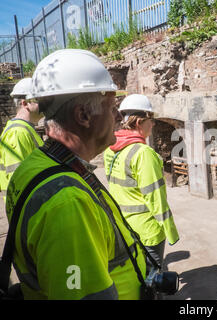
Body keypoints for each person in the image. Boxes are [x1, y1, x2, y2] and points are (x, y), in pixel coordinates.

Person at [5, 49, 147, 299]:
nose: (117, 116)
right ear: (83, 115)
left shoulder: (35, 165)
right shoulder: (68, 203)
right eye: (111, 107)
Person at [104, 94, 179, 273]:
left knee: (135, 276)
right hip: (147, 230)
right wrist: (171, 232)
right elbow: (155, 198)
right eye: (150, 119)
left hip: (123, 226)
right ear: (138, 122)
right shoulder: (143, 154)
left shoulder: (110, 149)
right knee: (152, 280)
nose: (153, 124)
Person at [0, 78, 44, 198]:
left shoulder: (25, 130)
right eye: (39, 100)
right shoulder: (18, 132)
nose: (45, 104)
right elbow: (18, 182)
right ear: (25, 103)